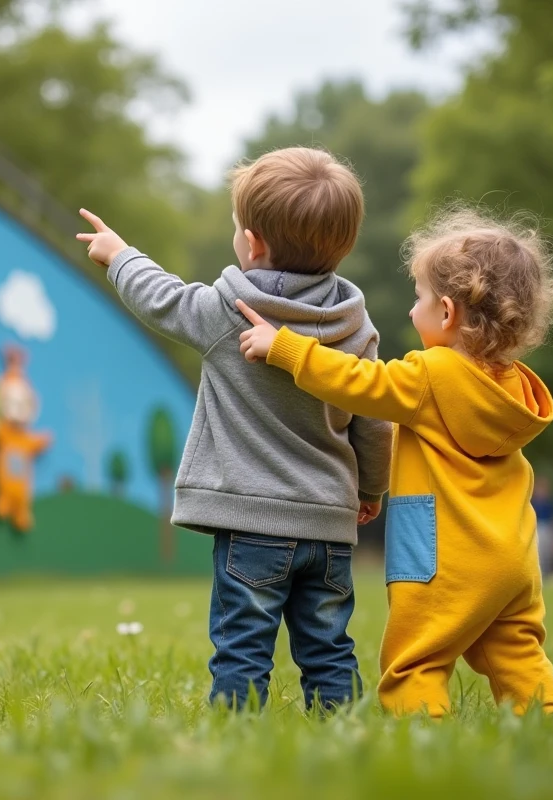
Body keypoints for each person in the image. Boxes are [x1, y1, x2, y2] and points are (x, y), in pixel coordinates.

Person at [76, 147, 393, 710]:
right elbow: (375, 421)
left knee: (243, 649)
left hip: (251, 525)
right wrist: (370, 489)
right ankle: (344, 731)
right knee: (329, 649)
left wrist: (119, 255)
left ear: (255, 244)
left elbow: (163, 299)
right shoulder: (356, 328)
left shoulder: (230, 312)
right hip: (329, 526)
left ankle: (236, 733)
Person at [236, 207, 553, 717]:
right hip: (512, 561)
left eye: (420, 298)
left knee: (417, 662)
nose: (413, 311)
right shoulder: (514, 390)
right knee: (516, 653)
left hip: (442, 559)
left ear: (448, 313)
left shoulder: (431, 376)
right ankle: (545, 720)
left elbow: (359, 382)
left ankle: (422, 733)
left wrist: (285, 348)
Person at [532, 476, 553, 575]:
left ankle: (548, 571)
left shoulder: (549, 502)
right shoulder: (534, 502)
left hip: (548, 526)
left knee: (548, 549)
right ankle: (541, 571)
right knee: (540, 549)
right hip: (538, 527)